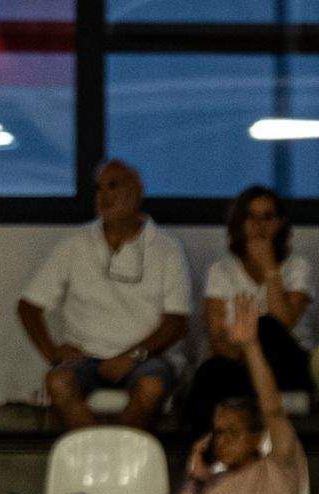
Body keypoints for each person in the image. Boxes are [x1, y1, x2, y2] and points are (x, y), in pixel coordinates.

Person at [17, 158, 192, 435]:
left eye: (113, 186)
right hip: (86, 357)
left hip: (147, 358)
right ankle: (100, 456)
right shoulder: (75, 244)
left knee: (152, 386)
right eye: (98, 189)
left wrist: (133, 357)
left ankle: (119, 458)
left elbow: (177, 322)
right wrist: (52, 352)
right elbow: (28, 306)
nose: (104, 196)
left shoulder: (167, 248)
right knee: (59, 382)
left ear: (137, 191)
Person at [174, 306, 315, 494]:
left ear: (256, 437)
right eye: (217, 433)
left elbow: (273, 409)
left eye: (232, 432)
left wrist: (250, 347)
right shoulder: (204, 477)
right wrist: (193, 481)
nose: (222, 441)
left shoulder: (279, 467)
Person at [179, 184, 314, 445]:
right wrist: (245, 352)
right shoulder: (221, 270)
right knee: (209, 371)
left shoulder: (298, 267)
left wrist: (270, 268)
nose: (258, 225)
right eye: (250, 217)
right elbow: (218, 339)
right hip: (238, 363)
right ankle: (202, 457)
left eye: (267, 217)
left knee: (265, 326)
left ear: (281, 223)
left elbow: (284, 321)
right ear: (238, 223)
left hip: (287, 364)